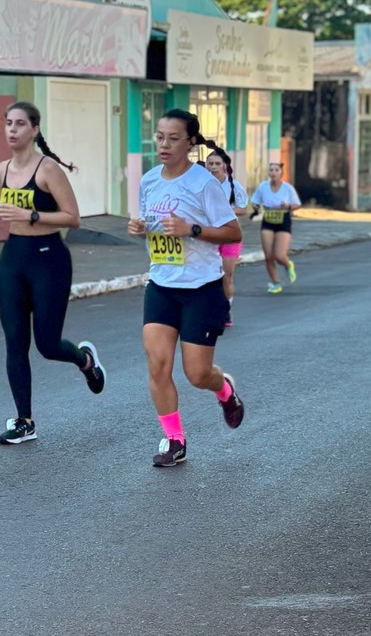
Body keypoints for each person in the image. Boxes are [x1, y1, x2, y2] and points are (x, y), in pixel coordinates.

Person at [0, 101, 105, 445]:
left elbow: (73, 217)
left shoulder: (48, 170)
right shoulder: (3, 167)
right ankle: (24, 420)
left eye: (20, 124)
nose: (12, 130)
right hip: (13, 259)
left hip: (49, 259)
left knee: (47, 345)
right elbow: (7, 205)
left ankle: (85, 359)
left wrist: (31, 215)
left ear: (34, 130)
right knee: (15, 342)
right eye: (8, 123)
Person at [127, 110, 245, 468]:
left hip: (201, 288)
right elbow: (156, 226)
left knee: (197, 374)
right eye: (159, 137)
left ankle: (223, 388)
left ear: (190, 143)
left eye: (173, 138)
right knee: (158, 364)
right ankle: (174, 440)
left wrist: (191, 229)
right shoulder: (149, 181)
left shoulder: (203, 183)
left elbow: (233, 233)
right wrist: (141, 228)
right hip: (162, 285)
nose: (164, 144)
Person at [204, 145, 248, 325]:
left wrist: (227, 211)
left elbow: (243, 209)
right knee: (209, 275)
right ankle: (208, 310)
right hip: (208, 235)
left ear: (224, 166)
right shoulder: (202, 184)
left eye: (217, 163)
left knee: (226, 275)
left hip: (230, 235)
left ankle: (226, 310)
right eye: (210, 163)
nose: (213, 167)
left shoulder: (232, 185)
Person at [251, 161, 302, 293]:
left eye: (276, 170)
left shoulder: (288, 188)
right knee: (268, 256)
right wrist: (256, 207)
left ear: (281, 173)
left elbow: (297, 204)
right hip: (268, 220)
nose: (273, 172)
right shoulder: (263, 187)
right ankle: (275, 283)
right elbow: (255, 202)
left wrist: (289, 207)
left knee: (279, 255)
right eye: (271, 170)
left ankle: (287, 264)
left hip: (283, 220)